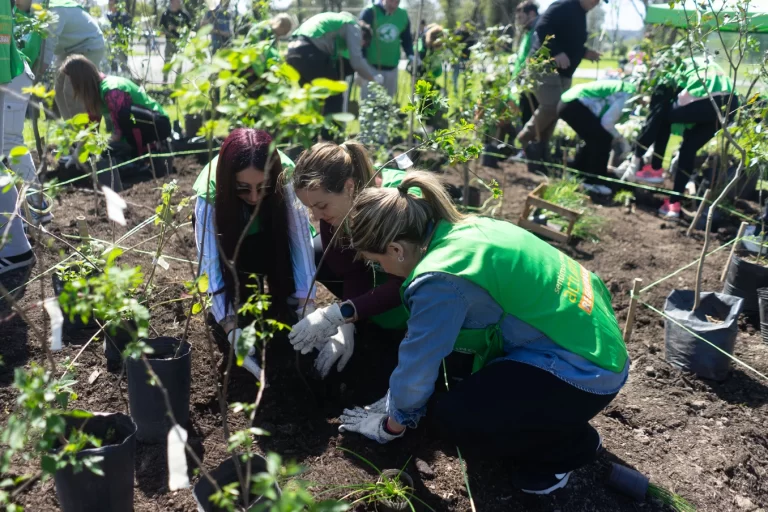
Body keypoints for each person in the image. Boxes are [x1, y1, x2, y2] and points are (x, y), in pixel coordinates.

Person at [336, 171, 629, 495]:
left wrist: (391, 423)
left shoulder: (439, 280)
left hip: (587, 370)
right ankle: (552, 418)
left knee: (454, 417)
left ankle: (571, 447)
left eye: (377, 262)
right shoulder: (462, 228)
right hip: (594, 332)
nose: (381, 271)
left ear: (395, 249)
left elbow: (419, 363)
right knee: (459, 377)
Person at [193, 129, 316, 379]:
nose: (254, 197)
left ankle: (289, 299)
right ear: (229, 183)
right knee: (238, 304)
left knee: (291, 295)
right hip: (235, 246)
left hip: (271, 240)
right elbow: (209, 261)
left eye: (263, 187)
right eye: (243, 189)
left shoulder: (286, 175)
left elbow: (300, 242)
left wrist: (308, 307)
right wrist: (229, 325)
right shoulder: (210, 191)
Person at [288, 141, 416, 379]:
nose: (316, 216)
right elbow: (351, 271)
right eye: (310, 208)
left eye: (321, 205)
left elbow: (406, 283)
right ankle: (367, 321)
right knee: (317, 250)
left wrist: (343, 313)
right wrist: (347, 325)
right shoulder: (334, 215)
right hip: (387, 283)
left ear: (348, 187)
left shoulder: (396, 206)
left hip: (419, 292)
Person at [623, 57, 738, 218]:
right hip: (730, 106)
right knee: (688, 150)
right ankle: (673, 204)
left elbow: (656, 113)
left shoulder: (673, 67)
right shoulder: (703, 64)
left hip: (705, 100)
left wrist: (636, 156)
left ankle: (655, 169)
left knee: (662, 114)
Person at [515, 0, 603, 163]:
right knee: (552, 106)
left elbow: (569, 40)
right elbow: (542, 28)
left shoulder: (581, 14)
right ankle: (525, 137)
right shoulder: (564, 6)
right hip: (544, 67)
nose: (596, 3)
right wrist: (556, 52)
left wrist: (585, 53)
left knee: (558, 110)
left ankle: (539, 149)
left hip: (564, 73)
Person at [287, 12, 382, 134]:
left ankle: (306, 141)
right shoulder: (353, 26)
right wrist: (372, 77)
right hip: (310, 51)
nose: (361, 45)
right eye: (364, 43)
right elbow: (356, 61)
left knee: (311, 98)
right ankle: (331, 142)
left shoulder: (337, 22)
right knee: (334, 95)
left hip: (293, 50)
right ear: (363, 35)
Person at [58, 55, 171, 158]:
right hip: (141, 127)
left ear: (80, 80)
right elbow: (91, 127)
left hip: (158, 124)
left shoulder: (112, 91)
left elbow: (118, 133)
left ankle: (146, 151)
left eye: (71, 80)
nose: (71, 84)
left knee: (123, 117)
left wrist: (100, 149)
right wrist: (80, 151)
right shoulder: (95, 94)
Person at [15, 0, 106, 120]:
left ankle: (84, 133)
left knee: (72, 89)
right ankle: (71, 132)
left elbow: (47, 48)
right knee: (59, 91)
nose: (15, 1)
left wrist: (31, 79)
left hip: (88, 45)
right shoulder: (27, 11)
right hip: (66, 51)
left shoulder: (53, 9)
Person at [0, 0, 36, 303]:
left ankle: (16, 250)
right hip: (10, 78)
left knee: (6, 152)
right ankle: (35, 209)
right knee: (9, 149)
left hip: (7, 81)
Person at [557, 79, 636, 194]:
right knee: (602, 140)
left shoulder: (626, 87)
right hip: (573, 104)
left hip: (568, 102)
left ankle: (576, 174)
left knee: (594, 138)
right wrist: (621, 140)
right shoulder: (627, 95)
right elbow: (607, 122)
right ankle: (594, 182)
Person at [10, 6, 50, 224]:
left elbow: (34, 51)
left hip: (13, 75)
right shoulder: (13, 12)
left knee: (9, 142)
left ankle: (37, 207)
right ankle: (36, 207)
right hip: (14, 73)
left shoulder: (35, 19)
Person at [359, 0, 414, 100]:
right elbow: (361, 39)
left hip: (392, 68)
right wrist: (362, 67)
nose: (394, 5)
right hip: (371, 67)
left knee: (387, 104)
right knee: (369, 104)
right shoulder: (370, 12)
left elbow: (406, 39)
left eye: (397, 2)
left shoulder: (402, 15)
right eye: (391, 1)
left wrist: (411, 55)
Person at [511, 1, 539, 129]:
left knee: (528, 117)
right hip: (523, 82)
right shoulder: (529, 32)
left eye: (521, 17)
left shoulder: (537, 31)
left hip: (531, 84)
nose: (520, 21)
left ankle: (528, 146)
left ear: (531, 14)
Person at [159, 0, 192, 83]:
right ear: (172, 2)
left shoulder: (184, 15)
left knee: (179, 64)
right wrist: (167, 31)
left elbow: (189, 29)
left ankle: (177, 83)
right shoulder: (165, 14)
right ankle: (165, 81)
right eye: (177, 1)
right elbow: (160, 30)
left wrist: (176, 28)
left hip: (180, 43)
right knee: (167, 62)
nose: (179, 2)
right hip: (169, 42)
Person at [106, 0, 132, 75]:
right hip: (111, 45)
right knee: (113, 65)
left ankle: (128, 79)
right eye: (109, 4)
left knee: (123, 65)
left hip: (121, 45)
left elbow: (127, 31)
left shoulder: (123, 16)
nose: (110, 6)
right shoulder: (109, 16)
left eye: (112, 4)